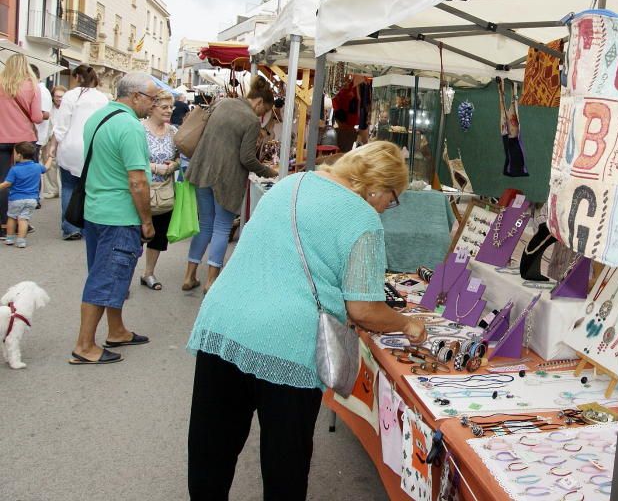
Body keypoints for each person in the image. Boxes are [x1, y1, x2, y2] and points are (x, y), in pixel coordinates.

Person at [186, 141, 428, 500]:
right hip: (289, 342)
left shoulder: (292, 183)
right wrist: (408, 325)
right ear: (377, 185)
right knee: (285, 461)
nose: (387, 207)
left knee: (211, 449)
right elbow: (363, 309)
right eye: (392, 198)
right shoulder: (363, 220)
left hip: (225, 324)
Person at [70, 72, 159, 365]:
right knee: (106, 278)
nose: (153, 104)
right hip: (119, 215)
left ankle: (117, 329)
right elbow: (137, 181)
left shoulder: (100, 117)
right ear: (134, 96)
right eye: (151, 98)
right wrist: (146, 220)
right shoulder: (130, 126)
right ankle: (84, 346)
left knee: (109, 273)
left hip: (96, 209)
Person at [183, 77, 280, 293]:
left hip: (202, 171)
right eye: (264, 110)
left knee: (205, 224)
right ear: (260, 103)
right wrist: (269, 172)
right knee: (221, 227)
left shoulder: (223, 103)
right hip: (226, 179)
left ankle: (189, 276)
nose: (262, 116)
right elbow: (247, 158)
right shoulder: (251, 120)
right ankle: (210, 281)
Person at [51, 65, 109, 240]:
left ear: (77, 77)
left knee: (69, 186)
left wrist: (53, 146)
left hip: (71, 147)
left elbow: (62, 126)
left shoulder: (70, 96)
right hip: (93, 148)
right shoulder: (102, 98)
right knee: (89, 188)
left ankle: (70, 227)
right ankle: (89, 225)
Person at [139, 91, 180, 291]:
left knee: (158, 235)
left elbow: (182, 158)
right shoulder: (139, 129)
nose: (169, 110)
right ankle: (124, 276)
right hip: (141, 190)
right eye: (164, 107)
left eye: (171, 107)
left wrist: (174, 165)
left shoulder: (173, 131)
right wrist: (154, 168)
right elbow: (130, 160)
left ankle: (148, 273)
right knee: (136, 235)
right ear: (152, 107)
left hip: (164, 192)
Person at [0, 55, 42, 234]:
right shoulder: (32, 86)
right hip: (24, 141)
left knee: (4, 181)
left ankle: (3, 223)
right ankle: (20, 222)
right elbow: (36, 118)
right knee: (24, 184)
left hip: (2, 139)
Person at [0, 141, 53, 247]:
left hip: (16, 199)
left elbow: (7, 183)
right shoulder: (37, 167)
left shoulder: (14, 169)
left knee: (11, 218)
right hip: (32, 200)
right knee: (23, 219)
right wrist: (51, 157)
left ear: (19, 155)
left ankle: (10, 238)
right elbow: (47, 168)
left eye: (14, 153)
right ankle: (21, 240)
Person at [42, 85, 67, 199]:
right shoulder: (49, 107)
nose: (59, 99)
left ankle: (65, 188)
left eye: (61, 97)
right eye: (57, 96)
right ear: (53, 96)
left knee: (64, 166)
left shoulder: (68, 107)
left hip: (63, 140)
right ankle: (52, 190)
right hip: (49, 138)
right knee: (49, 164)